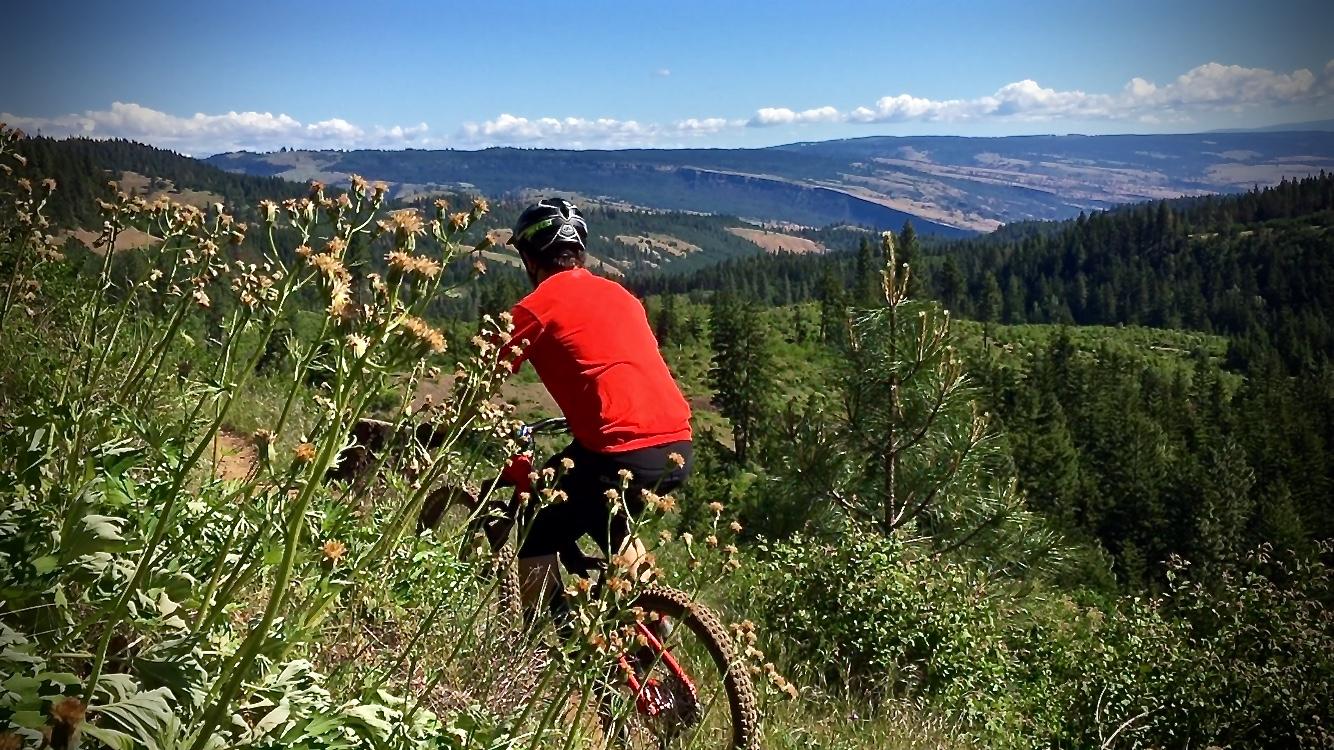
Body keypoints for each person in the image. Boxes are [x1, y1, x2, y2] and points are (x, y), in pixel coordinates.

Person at [499, 197, 694, 616]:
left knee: (537, 525)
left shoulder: (534, 308)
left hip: (616, 448)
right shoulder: (621, 295)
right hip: (677, 444)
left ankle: (535, 651)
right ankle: (652, 619)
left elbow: (484, 376)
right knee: (611, 518)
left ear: (529, 258)